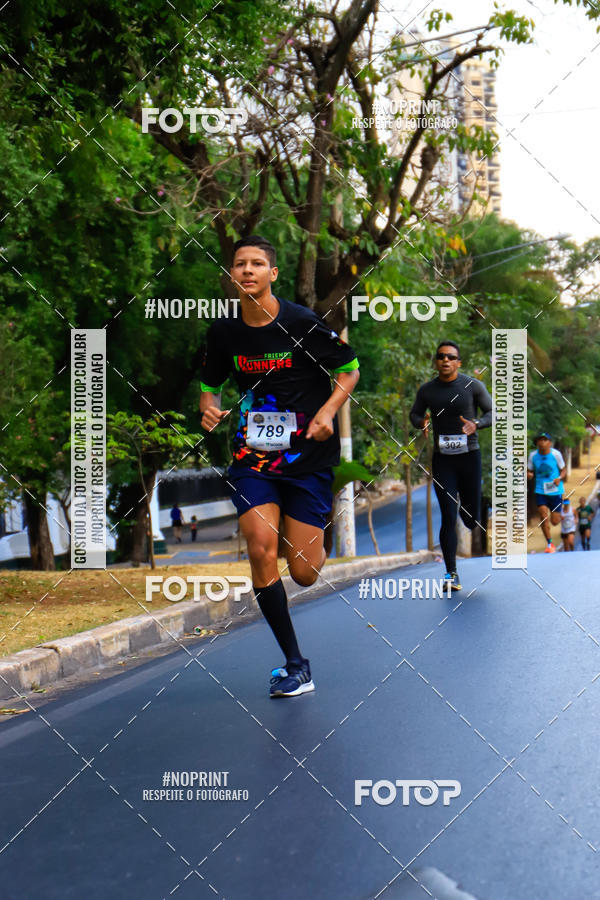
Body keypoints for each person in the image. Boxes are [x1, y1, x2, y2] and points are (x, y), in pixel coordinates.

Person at [199, 235, 359, 698]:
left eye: (257, 264)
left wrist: (328, 412)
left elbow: (349, 368)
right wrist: (210, 408)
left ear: (272, 274)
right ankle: (295, 663)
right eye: (239, 264)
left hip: (307, 458)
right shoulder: (224, 333)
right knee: (261, 547)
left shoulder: (302, 324)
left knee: (305, 571)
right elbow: (210, 385)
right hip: (253, 457)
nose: (247, 271)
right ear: (233, 275)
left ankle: (316, 525)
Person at [409, 341, 492, 590]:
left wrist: (476, 423)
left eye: (451, 357)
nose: (445, 360)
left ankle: (475, 510)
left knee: (469, 519)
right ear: (436, 361)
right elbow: (414, 414)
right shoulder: (427, 390)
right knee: (447, 515)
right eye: (441, 356)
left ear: (458, 362)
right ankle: (451, 574)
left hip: (469, 457)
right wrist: (420, 422)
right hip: (443, 460)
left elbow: (493, 413)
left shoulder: (472, 386)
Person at [527, 433, 566, 554]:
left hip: (555, 491)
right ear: (537, 443)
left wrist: (560, 477)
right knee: (544, 518)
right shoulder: (533, 456)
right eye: (540, 440)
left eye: (545, 440)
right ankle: (550, 544)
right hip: (540, 491)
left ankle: (560, 514)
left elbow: (563, 469)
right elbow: (529, 470)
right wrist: (529, 474)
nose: (542, 442)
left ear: (549, 442)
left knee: (555, 521)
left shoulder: (555, 454)